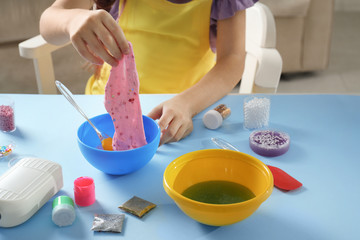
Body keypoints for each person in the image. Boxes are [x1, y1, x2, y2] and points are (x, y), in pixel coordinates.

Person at [40, 0, 258, 145]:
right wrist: (72, 20)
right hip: (100, 112)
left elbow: (233, 59)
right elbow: (49, 21)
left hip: (179, 117)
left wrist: (187, 104)